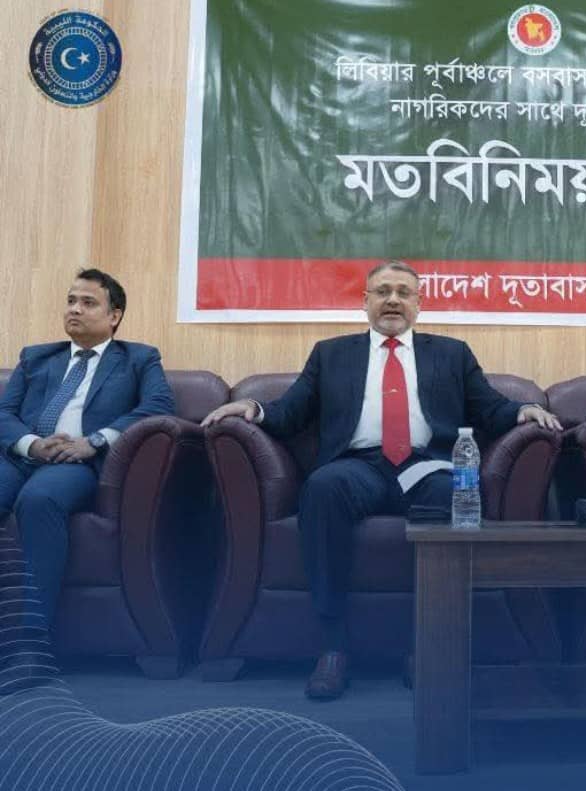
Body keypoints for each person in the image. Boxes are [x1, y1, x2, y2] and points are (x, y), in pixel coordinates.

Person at [202, 260, 561, 700]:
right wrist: (254, 410)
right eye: (383, 291)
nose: (393, 300)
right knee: (323, 488)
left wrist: (523, 411)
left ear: (419, 304)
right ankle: (334, 646)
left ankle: (425, 644)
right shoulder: (331, 353)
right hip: (359, 466)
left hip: (426, 465)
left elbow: (489, 406)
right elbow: (291, 410)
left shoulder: (452, 353)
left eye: (403, 292)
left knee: (453, 493)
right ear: (365, 301)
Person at [0, 269, 175, 628]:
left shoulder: (139, 358)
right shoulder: (35, 357)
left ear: (114, 316)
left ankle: (32, 639)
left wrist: (94, 442)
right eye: (71, 301)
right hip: (24, 455)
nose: (74, 309)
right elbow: (4, 412)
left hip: (77, 464)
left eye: (88, 303)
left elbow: (159, 405)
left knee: (38, 500)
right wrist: (32, 444)